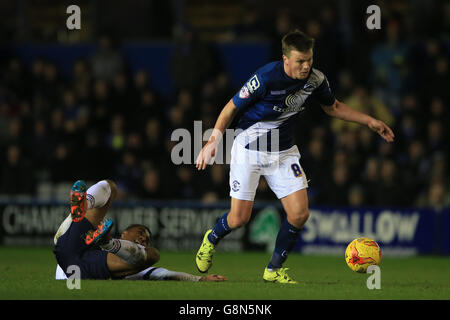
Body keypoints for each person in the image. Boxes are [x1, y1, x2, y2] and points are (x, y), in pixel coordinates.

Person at [195, 30, 394, 284]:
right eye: (300, 61)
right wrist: (212, 142)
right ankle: (211, 239)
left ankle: (273, 270)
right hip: (249, 149)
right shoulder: (266, 77)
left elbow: (332, 107)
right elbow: (230, 108)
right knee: (239, 218)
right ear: (285, 59)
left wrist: (370, 121)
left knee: (299, 214)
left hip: (284, 152)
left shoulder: (316, 79)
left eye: (309, 59)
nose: (306, 65)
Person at [55, 223, 226, 282]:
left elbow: (164, 274)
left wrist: (201, 279)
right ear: (124, 234)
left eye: (147, 237)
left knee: (152, 255)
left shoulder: (137, 267)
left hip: (76, 276)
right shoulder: (93, 242)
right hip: (69, 265)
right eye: (140, 232)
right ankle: (78, 210)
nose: (144, 237)